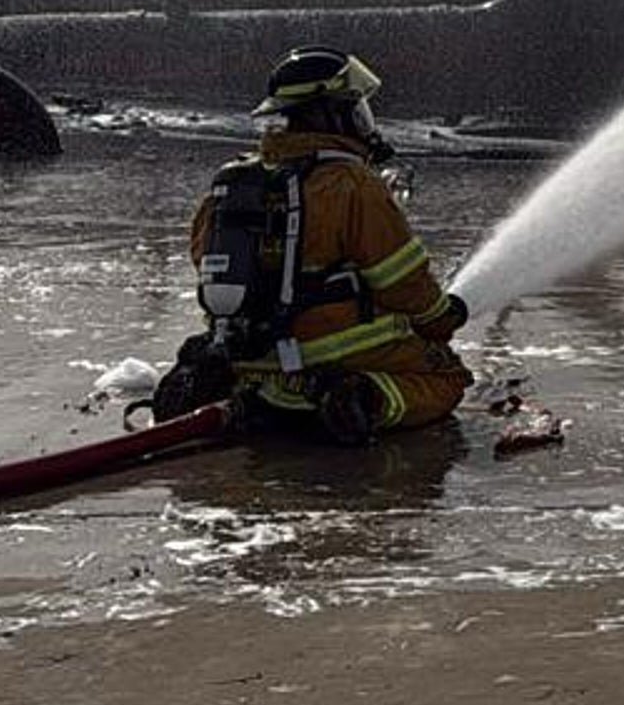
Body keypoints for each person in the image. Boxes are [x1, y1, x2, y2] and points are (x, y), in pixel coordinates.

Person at [151, 48, 472, 442]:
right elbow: (403, 281)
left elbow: (203, 257)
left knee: (259, 380)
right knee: (446, 377)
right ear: (332, 114)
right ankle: (362, 398)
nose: (363, 119)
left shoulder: (238, 181)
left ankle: (226, 384)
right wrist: (442, 319)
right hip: (331, 355)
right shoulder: (352, 184)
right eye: (355, 108)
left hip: (250, 354)